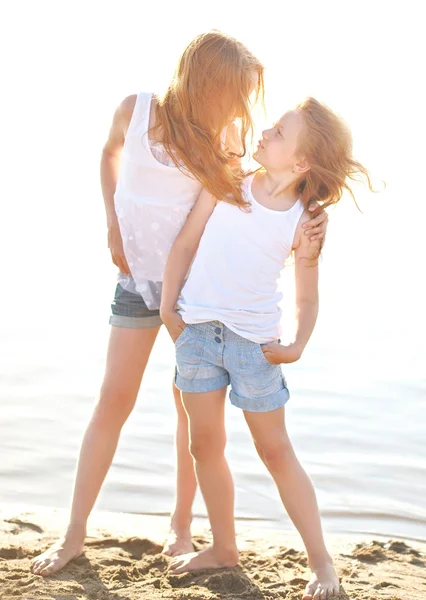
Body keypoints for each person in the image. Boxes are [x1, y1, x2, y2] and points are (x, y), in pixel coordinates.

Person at [30, 33, 328, 577]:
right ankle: (73, 534)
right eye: (236, 93)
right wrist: (112, 221)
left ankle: (181, 524)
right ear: (204, 84)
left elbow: (268, 194)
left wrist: (313, 212)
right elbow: (109, 154)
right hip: (136, 282)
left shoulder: (227, 137)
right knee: (112, 401)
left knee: (190, 419)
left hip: (195, 297)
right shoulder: (135, 111)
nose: (242, 108)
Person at [160, 97, 372, 599]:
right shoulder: (228, 183)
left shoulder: (303, 221)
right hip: (197, 335)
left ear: (301, 163)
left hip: (256, 347)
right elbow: (186, 242)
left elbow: (306, 291)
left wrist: (298, 343)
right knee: (203, 445)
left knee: (275, 450)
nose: (265, 133)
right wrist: (170, 310)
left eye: (278, 132)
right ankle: (223, 547)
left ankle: (322, 564)